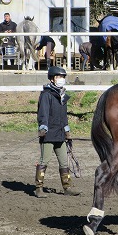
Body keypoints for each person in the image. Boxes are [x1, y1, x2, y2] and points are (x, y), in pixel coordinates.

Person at [35, 66, 81, 198]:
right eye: (59, 77)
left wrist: (67, 131)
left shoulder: (62, 96)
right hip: (48, 135)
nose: (62, 79)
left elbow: (64, 116)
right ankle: (38, 188)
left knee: (64, 163)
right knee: (44, 161)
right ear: (52, 79)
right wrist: (43, 128)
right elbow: (43, 113)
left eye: (63, 77)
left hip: (60, 134)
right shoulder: (46, 95)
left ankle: (67, 187)